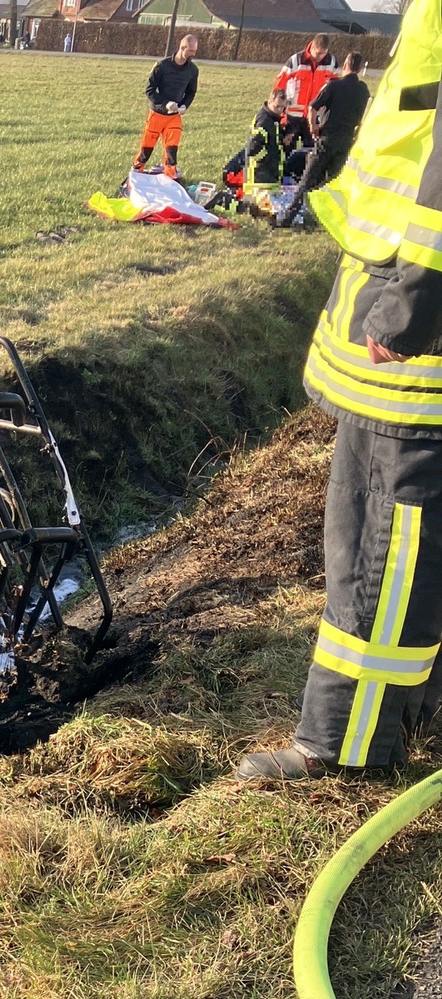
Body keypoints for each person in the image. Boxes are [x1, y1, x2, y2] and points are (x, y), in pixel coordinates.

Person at [236, 1, 442, 781]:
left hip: (417, 322)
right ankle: (414, 703)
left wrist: (417, 297)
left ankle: (344, 742)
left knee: (385, 535)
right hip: (410, 295)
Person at [275, 51, 371, 226]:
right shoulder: (364, 90)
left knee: (307, 180)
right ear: (359, 68)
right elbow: (366, 116)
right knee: (333, 183)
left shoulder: (333, 86)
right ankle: (329, 220)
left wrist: (313, 127)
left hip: (327, 139)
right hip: (347, 142)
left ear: (346, 65)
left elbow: (312, 107)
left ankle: (287, 219)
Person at [133, 34, 199, 180]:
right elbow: (149, 90)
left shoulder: (193, 70)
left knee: (171, 150)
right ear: (182, 48)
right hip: (156, 114)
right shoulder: (162, 66)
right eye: (191, 51)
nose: (193, 54)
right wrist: (165, 103)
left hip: (174, 117)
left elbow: (191, 92)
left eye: (195, 51)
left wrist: (184, 106)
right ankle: (137, 172)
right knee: (147, 147)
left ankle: (170, 178)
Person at [275, 32, 338, 152]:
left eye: (324, 53)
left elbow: (334, 88)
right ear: (312, 46)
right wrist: (280, 114)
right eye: (318, 53)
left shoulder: (331, 62)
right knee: (285, 151)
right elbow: (279, 88)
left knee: (310, 153)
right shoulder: (295, 61)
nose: (320, 57)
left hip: (314, 116)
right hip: (293, 115)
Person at [222, 88, 291, 192]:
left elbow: (270, 141)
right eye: (277, 106)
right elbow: (253, 149)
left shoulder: (272, 119)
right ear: (269, 102)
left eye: (282, 107)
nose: (280, 110)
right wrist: (267, 159)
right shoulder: (264, 122)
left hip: (268, 175)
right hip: (261, 176)